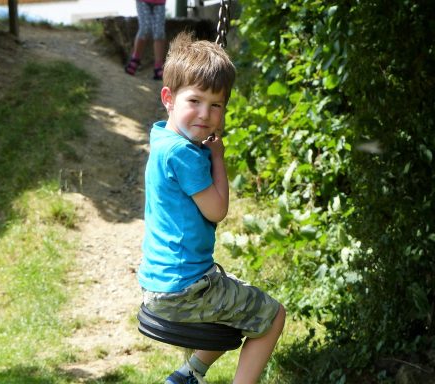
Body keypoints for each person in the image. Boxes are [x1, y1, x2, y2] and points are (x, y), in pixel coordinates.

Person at [138, 32, 286, 384]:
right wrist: (218, 158)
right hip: (184, 289)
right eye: (195, 101)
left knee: (234, 295)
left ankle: (187, 376)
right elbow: (217, 210)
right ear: (168, 98)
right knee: (273, 317)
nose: (205, 115)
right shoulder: (184, 154)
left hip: (162, 283)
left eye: (216, 105)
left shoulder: (162, 138)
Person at [125, 0, 166, 80]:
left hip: (160, 2)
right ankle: (135, 59)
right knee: (145, 29)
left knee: (159, 32)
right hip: (143, 1)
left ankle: (158, 66)